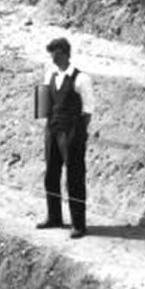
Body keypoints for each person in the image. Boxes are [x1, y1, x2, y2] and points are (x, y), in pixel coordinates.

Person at [36, 36, 95, 239]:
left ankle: (79, 224)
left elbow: (87, 112)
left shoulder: (81, 79)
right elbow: (44, 103)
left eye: (58, 54)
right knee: (51, 174)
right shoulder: (50, 75)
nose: (54, 58)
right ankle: (54, 217)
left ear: (67, 54)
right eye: (52, 54)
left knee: (74, 177)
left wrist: (75, 132)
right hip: (52, 130)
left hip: (72, 132)